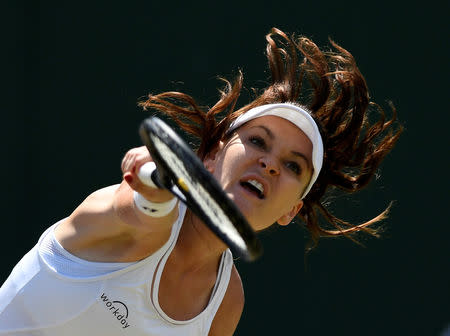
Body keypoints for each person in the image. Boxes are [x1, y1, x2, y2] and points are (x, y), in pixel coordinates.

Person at [0, 28, 402, 335]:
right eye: (258, 141)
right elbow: (146, 213)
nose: (270, 164)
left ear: (291, 210)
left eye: (293, 166)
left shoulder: (225, 302)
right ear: (211, 156)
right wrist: (154, 188)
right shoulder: (133, 222)